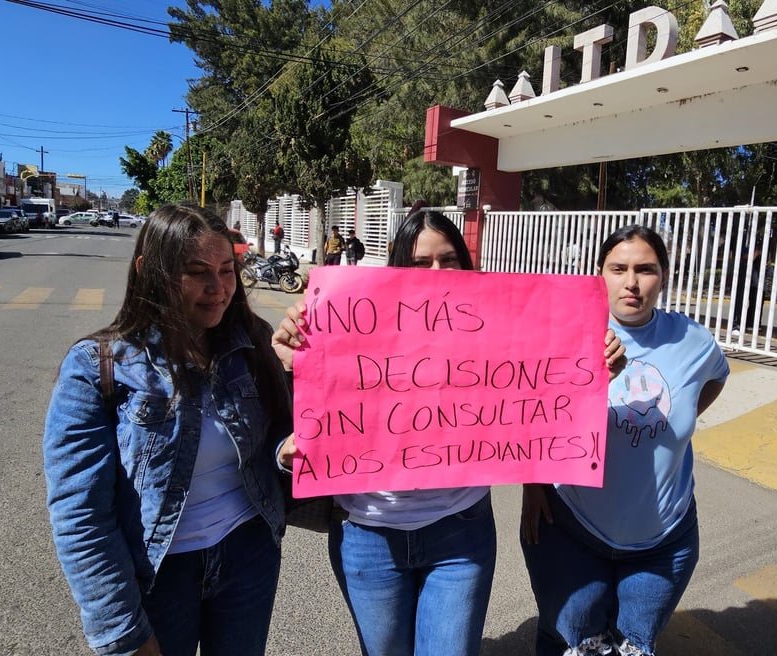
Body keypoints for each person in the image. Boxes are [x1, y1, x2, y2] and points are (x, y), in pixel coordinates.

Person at [43, 204, 293, 656]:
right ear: (149, 271)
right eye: (197, 272)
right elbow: (80, 514)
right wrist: (120, 629)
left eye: (226, 270)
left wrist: (287, 445)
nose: (218, 289)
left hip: (248, 556)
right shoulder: (96, 366)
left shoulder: (250, 340)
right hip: (157, 576)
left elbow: (278, 439)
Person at [273, 210, 522, 656]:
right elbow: (301, 419)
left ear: (466, 264)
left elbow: (545, 375)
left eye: (448, 260)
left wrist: (595, 362)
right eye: (420, 262)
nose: (436, 273)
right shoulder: (349, 321)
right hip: (369, 536)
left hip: (460, 532)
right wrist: (294, 355)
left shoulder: (493, 329)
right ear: (397, 266)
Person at [521, 224, 729, 656]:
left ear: (664, 276)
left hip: (664, 540)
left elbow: (714, 380)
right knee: (568, 640)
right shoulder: (566, 334)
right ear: (600, 275)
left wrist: (679, 421)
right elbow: (531, 416)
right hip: (571, 527)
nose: (631, 282)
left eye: (645, 269)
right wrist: (533, 484)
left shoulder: (694, 340)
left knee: (635, 647)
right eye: (618, 268)